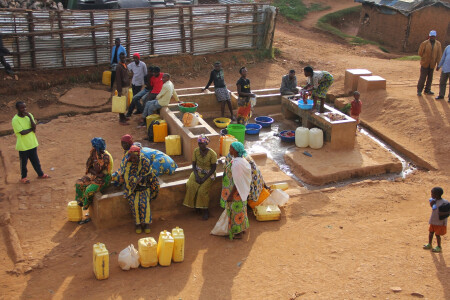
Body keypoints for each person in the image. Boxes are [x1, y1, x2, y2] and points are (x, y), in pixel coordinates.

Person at [112, 145, 160, 234]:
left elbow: (149, 174)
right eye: (132, 158)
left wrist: (142, 180)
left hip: (144, 187)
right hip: (131, 189)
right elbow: (127, 177)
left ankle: (146, 223)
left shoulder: (144, 162)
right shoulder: (127, 163)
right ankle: (137, 223)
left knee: (144, 202)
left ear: (138, 156)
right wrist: (135, 180)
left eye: (135, 158)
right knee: (134, 203)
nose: (133, 160)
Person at [75, 137, 112, 225]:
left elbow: (103, 174)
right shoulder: (93, 153)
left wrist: (96, 172)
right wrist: (95, 172)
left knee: (89, 191)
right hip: (95, 176)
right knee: (79, 183)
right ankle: (81, 202)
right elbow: (89, 167)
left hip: (104, 179)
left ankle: (86, 207)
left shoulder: (106, 157)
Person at [219, 142, 251, 240]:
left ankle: (238, 233)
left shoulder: (237, 164)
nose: (229, 150)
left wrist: (230, 195)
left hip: (236, 193)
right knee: (241, 210)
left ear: (236, 151)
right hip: (242, 191)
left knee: (235, 211)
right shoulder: (241, 160)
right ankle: (242, 228)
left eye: (231, 148)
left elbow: (237, 182)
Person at [12, 102, 50, 184]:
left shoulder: (29, 116)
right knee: (24, 163)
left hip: (32, 143)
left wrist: (29, 117)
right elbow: (22, 132)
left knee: (36, 161)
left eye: (25, 107)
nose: (24, 110)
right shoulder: (15, 120)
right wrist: (31, 129)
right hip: (23, 145)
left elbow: (34, 127)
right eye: (22, 108)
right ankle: (23, 177)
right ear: (17, 109)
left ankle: (40, 174)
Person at [183, 134, 217, 220]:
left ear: (206, 143)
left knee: (202, 191)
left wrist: (204, 178)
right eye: (199, 143)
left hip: (209, 174)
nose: (200, 145)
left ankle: (205, 210)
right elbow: (193, 165)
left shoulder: (212, 154)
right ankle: (196, 207)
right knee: (190, 185)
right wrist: (197, 176)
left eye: (202, 143)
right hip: (197, 172)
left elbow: (213, 168)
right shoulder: (196, 151)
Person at [423, 187, 449, 253]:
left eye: (432, 193)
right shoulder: (434, 201)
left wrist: (444, 221)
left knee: (437, 235)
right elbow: (432, 207)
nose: (431, 194)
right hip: (433, 221)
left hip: (439, 222)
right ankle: (429, 244)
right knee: (431, 233)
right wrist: (432, 203)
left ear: (436, 195)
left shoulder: (445, 203)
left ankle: (439, 247)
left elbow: (447, 213)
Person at [417, 30, 442, 96]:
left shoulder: (438, 44)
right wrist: (425, 57)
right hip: (425, 63)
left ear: (435, 36)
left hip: (432, 64)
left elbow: (439, 55)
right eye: (431, 36)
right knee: (422, 78)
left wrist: (438, 65)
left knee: (430, 78)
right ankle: (419, 90)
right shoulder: (424, 43)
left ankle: (427, 90)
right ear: (429, 36)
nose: (432, 37)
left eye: (433, 36)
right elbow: (420, 53)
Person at [115, 52, 130, 125]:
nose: (124, 59)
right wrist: (119, 90)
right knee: (122, 103)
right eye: (122, 58)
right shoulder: (119, 67)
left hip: (126, 86)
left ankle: (123, 116)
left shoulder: (124, 65)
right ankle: (121, 119)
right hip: (122, 87)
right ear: (120, 58)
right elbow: (118, 80)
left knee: (124, 103)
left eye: (124, 57)